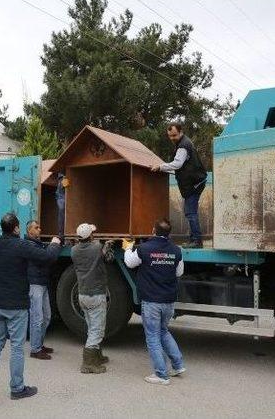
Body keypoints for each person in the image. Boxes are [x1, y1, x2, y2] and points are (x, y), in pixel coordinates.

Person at [0, 214, 61, 402]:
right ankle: (17, 388)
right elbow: (47, 257)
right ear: (16, 229)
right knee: (16, 347)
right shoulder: (21, 246)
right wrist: (55, 242)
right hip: (16, 305)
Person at [123, 218, 186, 386]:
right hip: (168, 300)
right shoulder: (176, 250)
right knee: (163, 331)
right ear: (169, 233)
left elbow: (129, 263)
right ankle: (178, 365)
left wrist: (128, 248)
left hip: (151, 300)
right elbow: (179, 273)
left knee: (152, 336)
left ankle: (161, 375)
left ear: (153, 231)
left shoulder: (144, 248)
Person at [151, 122, 207, 249]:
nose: (172, 138)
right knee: (190, 211)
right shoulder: (184, 143)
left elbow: (177, 165)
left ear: (181, 132)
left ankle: (197, 241)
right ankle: (194, 239)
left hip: (194, 183)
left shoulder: (183, 146)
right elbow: (179, 168)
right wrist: (162, 169)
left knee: (190, 212)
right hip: (196, 181)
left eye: (174, 135)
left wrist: (160, 166)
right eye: (170, 136)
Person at [70, 223, 114, 374]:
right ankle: (88, 363)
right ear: (91, 236)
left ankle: (97, 356)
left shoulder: (73, 250)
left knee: (91, 327)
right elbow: (107, 258)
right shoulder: (96, 247)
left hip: (82, 294)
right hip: (96, 294)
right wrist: (107, 246)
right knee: (97, 330)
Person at [25, 220, 57, 360]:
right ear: (29, 231)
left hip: (42, 283)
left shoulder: (37, 244)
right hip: (35, 284)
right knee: (37, 317)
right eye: (36, 227)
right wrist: (55, 244)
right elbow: (47, 258)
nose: (39, 229)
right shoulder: (29, 245)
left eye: (39, 226)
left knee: (46, 316)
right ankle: (35, 349)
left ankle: (39, 344)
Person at [56, 172, 67, 240]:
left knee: (61, 215)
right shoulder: (64, 179)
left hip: (60, 198)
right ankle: (61, 234)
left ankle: (61, 234)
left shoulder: (61, 180)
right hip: (62, 199)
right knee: (62, 214)